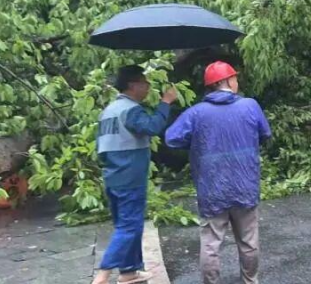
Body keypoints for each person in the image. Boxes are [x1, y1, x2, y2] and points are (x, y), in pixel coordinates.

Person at [165, 61, 271, 284]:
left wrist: (197, 143)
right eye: (235, 78)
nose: (237, 81)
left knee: (211, 244)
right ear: (227, 81)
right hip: (245, 185)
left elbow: (172, 138)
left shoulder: (196, 113)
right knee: (249, 241)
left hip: (211, 188)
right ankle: (250, 281)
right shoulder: (250, 106)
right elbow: (264, 134)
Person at [93, 66, 177, 284]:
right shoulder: (131, 110)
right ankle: (102, 275)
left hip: (112, 176)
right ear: (133, 85)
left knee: (125, 224)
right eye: (144, 82)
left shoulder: (108, 111)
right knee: (129, 226)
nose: (148, 87)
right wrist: (166, 102)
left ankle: (129, 271)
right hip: (130, 176)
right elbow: (152, 127)